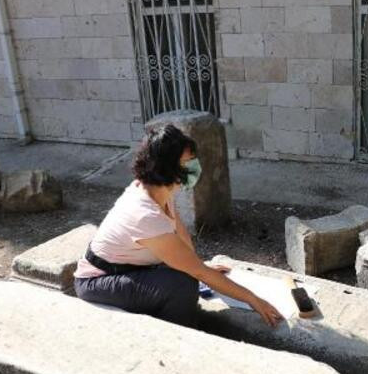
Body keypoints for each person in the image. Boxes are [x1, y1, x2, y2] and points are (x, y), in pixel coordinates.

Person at [73, 124, 283, 328]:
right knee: (182, 285)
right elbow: (198, 273)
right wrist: (253, 299)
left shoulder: (159, 191)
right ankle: (177, 335)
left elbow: (180, 233)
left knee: (187, 272)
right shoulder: (145, 214)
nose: (195, 166)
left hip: (127, 268)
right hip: (98, 281)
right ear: (167, 167)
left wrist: (197, 265)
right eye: (188, 161)